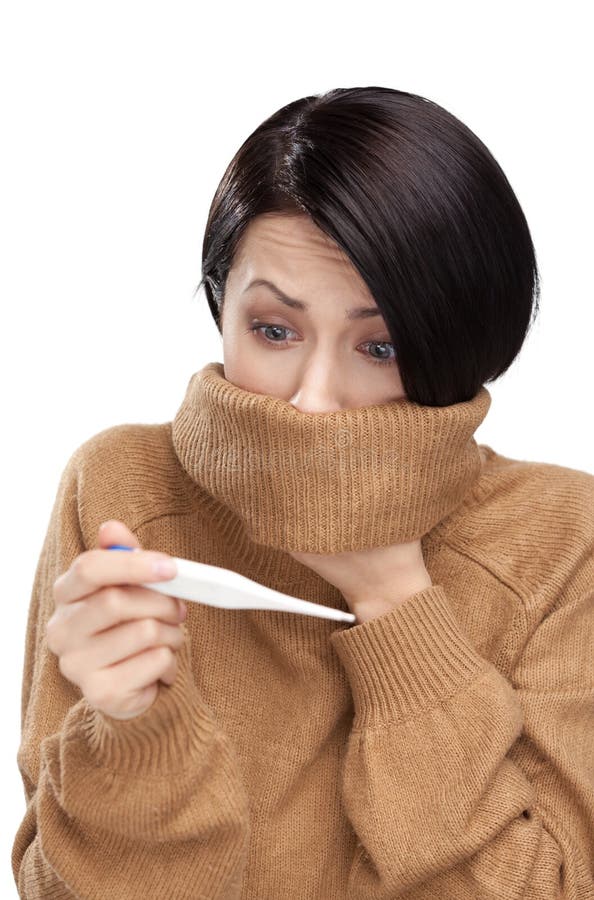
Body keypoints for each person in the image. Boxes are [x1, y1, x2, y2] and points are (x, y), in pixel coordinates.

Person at [12, 86, 593, 899]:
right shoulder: (124, 493)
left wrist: (393, 599)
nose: (314, 400)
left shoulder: (561, 536)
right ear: (222, 306)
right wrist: (136, 732)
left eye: (381, 345)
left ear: (460, 341)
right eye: (275, 330)